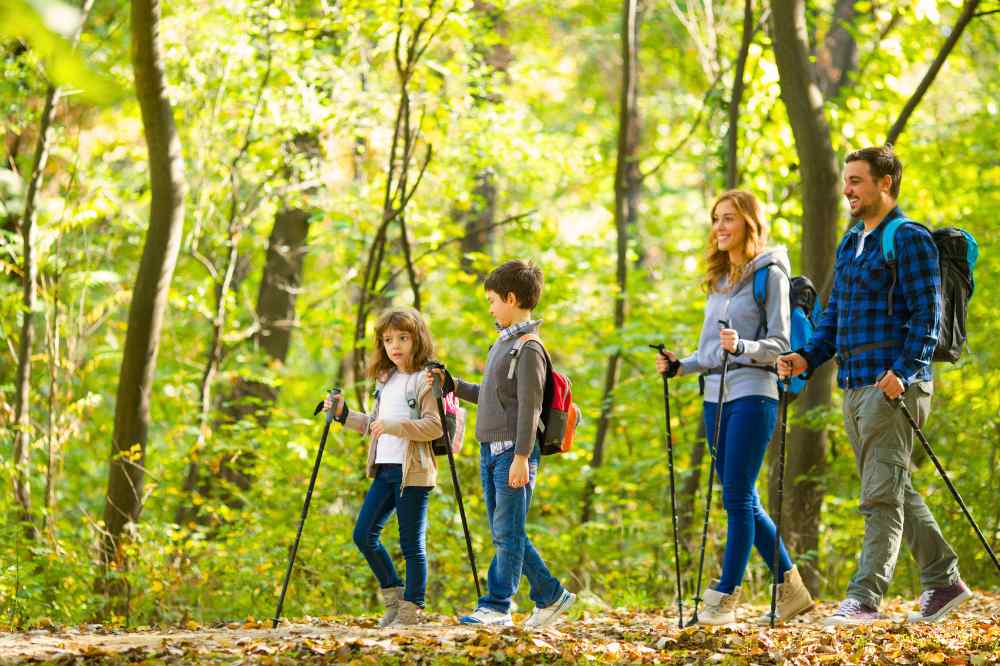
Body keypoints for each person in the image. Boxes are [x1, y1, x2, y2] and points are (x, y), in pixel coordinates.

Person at [779, 145, 971, 625]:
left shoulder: (908, 239)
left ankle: (863, 599)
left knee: (880, 496)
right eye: (845, 181)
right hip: (855, 384)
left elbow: (929, 317)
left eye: (856, 181)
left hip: (895, 387)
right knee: (892, 486)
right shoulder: (851, 243)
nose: (847, 190)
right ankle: (945, 580)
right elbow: (833, 317)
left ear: (885, 183)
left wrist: (903, 373)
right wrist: (806, 356)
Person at [654, 190, 813, 625]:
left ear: (749, 223)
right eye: (716, 219)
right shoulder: (721, 278)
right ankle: (792, 590)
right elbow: (711, 352)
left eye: (729, 219)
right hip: (714, 396)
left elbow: (781, 344)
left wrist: (744, 346)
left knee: (737, 497)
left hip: (755, 392)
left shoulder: (771, 274)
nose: (720, 227)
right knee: (744, 497)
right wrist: (679, 366)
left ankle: (725, 595)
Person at [430, 259, 576, 629]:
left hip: (514, 452)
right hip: (490, 451)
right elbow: (492, 397)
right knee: (506, 532)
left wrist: (523, 457)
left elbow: (530, 406)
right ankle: (551, 595)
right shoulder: (503, 344)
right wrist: (453, 384)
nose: (491, 308)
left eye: (493, 300)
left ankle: (497, 605)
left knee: (507, 531)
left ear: (512, 298)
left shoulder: (528, 348)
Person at [324, 307, 442, 627]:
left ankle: (411, 609)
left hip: (413, 472)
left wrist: (394, 426)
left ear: (417, 339)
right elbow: (374, 425)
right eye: (388, 339)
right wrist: (342, 413)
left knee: (410, 544)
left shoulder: (424, 379)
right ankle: (394, 597)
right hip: (385, 469)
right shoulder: (385, 380)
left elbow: (434, 427)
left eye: (403, 337)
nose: (395, 346)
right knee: (364, 534)